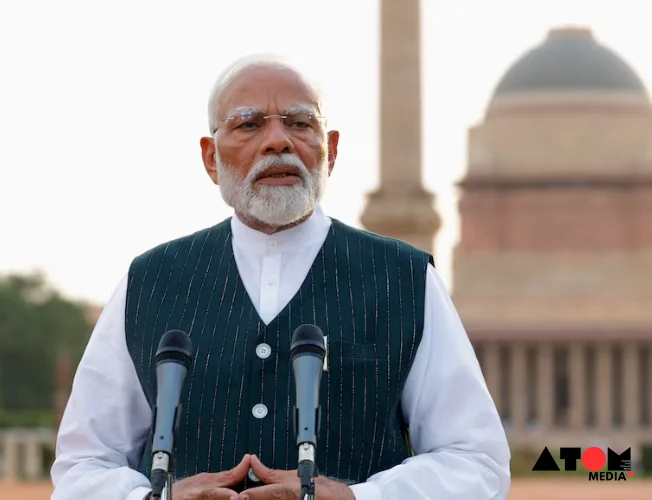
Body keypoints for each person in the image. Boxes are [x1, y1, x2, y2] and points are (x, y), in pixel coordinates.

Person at [50, 55, 511, 500]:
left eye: (299, 123)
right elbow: (82, 466)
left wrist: (359, 497)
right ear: (210, 158)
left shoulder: (403, 280)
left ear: (330, 151)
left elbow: (475, 460)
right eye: (249, 124)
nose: (278, 141)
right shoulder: (150, 282)